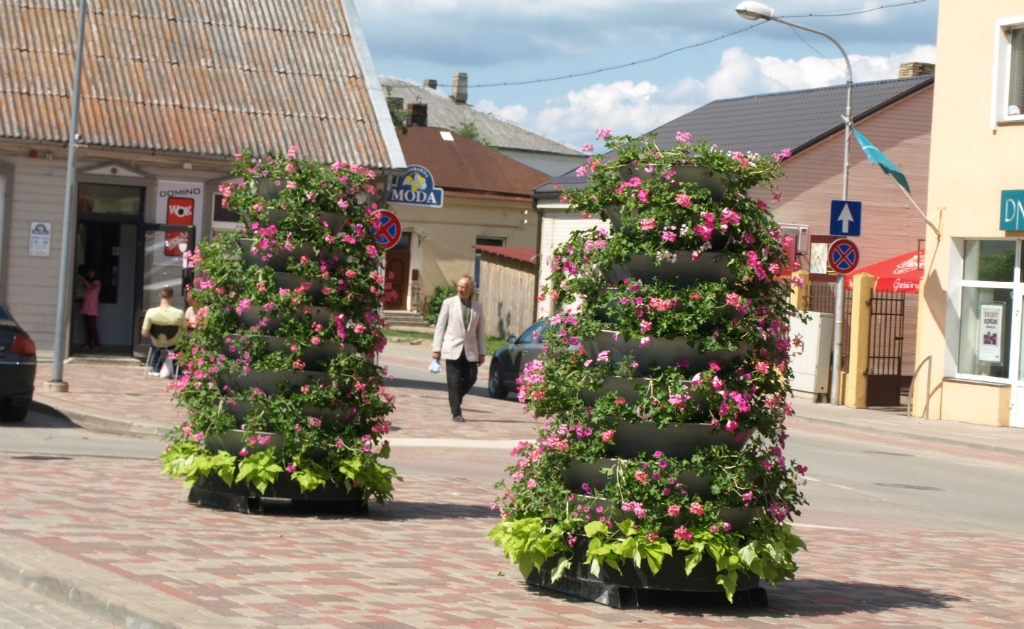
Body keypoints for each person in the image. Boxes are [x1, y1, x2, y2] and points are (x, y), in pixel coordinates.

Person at [432, 276, 486, 422]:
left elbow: (480, 331)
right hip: (452, 347)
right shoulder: (448, 303)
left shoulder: (478, 307)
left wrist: (482, 352)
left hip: (470, 349)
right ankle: (456, 412)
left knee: (471, 377)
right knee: (454, 381)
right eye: (458, 286)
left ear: (471, 289)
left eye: (463, 287)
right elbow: (440, 326)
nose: (460, 289)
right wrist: (436, 349)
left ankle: (455, 397)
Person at [141, 286, 185, 377]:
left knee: (153, 339)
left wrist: (153, 334)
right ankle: (177, 370)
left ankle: (155, 368)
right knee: (181, 341)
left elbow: (144, 333)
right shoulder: (179, 313)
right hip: (174, 343)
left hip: (157, 343)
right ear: (172, 296)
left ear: (159, 295)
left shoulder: (151, 312)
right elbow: (184, 330)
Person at [77, 267, 101, 351]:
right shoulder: (90, 281)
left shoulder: (97, 282)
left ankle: (96, 345)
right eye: (89, 272)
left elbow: (90, 286)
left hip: (92, 307)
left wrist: (82, 279)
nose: (90, 274)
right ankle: (88, 344)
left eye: (92, 272)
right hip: (86, 306)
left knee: (92, 327)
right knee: (87, 327)